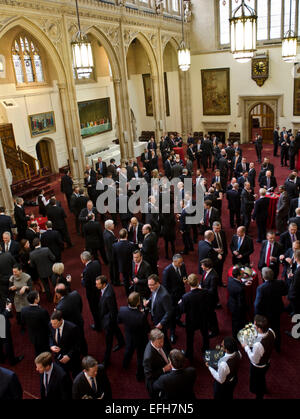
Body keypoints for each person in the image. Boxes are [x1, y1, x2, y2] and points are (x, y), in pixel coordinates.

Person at [241, 315, 275, 399]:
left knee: (257, 385)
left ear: (259, 329)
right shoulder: (271, 331)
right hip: (267, 362)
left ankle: (259, 396)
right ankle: (264, 388)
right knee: (262, 378)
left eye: (254, 325)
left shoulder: (258, 345)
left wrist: (246, 347)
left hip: (258, 367)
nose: (253, 326)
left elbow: (254, 360)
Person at [118, 292, 149, 381]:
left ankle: (125, 365)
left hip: (129, 336)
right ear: (138, 303)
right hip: (140, 339)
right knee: (140, 357)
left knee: (128, 351)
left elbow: (119, 321)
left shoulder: (122, 309)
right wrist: (142, 313)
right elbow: (146, 329)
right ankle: (139, 375)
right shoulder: (141, 316)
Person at [254, 267, 287, 352]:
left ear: (263, 277)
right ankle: (278, 346)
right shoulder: (280, 283)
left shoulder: (261, 288)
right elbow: (285, 292)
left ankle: (266, 347)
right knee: (277, 328)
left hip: (266, 313)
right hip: (278, 310)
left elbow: (257, 304)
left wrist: (256, 316)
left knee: (266, 331)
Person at [95, 275, 125, 368]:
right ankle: (121, 342)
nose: (96, 285)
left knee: (108, 342)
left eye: (97, 284)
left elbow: (113, 311)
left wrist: (109, 323)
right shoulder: (106, 288)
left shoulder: (108, 295)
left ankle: (106, 360)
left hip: (109, 321)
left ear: (104, 284)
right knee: (116, 328)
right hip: (108, 318)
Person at [178, 273, 210, 360]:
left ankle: (189, 353)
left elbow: (182, 310)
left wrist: (180, 303)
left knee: (190, 338)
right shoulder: (205, 292)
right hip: (203, 318)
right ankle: (206, 348)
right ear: (198, 281)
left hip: (192, 320)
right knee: (205, 334)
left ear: (188, 283)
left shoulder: (185, 297)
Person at [162, 254, 187, 344]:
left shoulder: (182, 265)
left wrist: (185, 279)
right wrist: (172, 296)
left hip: (181, 293)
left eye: (181, 262)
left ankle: (178, 320)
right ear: (174, 262)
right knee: (172, 315)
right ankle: (172, 333)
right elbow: (165, 287)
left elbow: (184, 275)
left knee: (180, 309)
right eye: (179, 263)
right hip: (172, 297)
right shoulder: (167, 271)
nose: (181, 264)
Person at [49, 310, 81, 379]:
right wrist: (51, 345)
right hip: (58, 357)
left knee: (75, 376)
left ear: (61, 320)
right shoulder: (51, 324)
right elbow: (50, 336)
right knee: (64, 377)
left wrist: (69, 356)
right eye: (52, 323)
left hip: (72, 358)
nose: (53, 325)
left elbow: (77, 344)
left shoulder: (72, 328)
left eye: (55, 323)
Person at [145, 274, 173, 351]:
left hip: (161, 321)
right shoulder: (154, 289)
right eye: (148, 285)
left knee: (163, 338)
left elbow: (169, 311)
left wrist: (161, 323)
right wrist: (149, 301)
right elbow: (154, 296)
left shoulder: (164, 295)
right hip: (155, 317)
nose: (149, 287)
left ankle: (169, 353)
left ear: (157, 283)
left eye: (151, 285)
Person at [143, 328, 171, 399]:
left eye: (162, 341)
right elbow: (149, 375)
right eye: (159, 342)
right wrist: (164, 369)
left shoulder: (159, 341)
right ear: (152, 341)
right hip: (155, 382)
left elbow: (165, 351)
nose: (162, 344)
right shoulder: (148, 357)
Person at [21, 290, 50, 356]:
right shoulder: (42, 311)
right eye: (38, 296)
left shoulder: (23, 310)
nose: (39, 297)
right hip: (43, 336)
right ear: (36, 300)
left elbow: (23, 322)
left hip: (32, 336)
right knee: (46, 352)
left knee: (37, 350)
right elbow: (48, 324)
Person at [80, 251, 102, 331]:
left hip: (91, 293)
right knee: (100, 306)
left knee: (94, 309)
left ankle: (98, 326)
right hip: (99, 289)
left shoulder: (86, 270)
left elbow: (85, 284)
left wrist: (82, 279)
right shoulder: (97, 263)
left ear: (83, 260)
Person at [29, 238, 55, 302]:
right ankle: (58, 295)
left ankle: (49, 299)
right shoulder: (46, 249)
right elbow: (53, 258)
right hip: (50, 270)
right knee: (54, 283)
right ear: (39, 243)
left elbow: (32, 266)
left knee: (46, 287)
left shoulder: (31, 254)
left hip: (41, 272)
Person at [227, 266, 249, 338]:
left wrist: (243, 284)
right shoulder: (240, 289)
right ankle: (236, 336)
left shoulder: (230, 279)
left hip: (231, 303)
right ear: (239, 276)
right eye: (242, 274)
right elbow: (241, 303)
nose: (243, 274)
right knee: (238, 323)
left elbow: (236, 284)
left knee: (234, 321)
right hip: (237, 309)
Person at [112, 228, 135, 296]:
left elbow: (114, 258)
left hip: (121, 266)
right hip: (131, 265)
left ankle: (127, 293)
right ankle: (134, 290)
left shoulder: (115, 245)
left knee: (125, 279)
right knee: (133, 278)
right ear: (126, 235)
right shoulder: (131, 245)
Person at [200, 258, 220, 338]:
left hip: (211, 300)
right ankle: (209, 326)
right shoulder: (206, 272)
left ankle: (215, 330)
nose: (201, 266)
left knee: (211, 315)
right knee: (208, 314)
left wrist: (201, 289)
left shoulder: (214, 276)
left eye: (202, 265)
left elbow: (212, 291)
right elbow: (203, 281)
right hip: (206, 298)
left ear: (207, 267)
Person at [8, 263, 32, 327]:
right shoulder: (12, 278)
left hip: (26, 297)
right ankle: (22, 326)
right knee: (19, 313)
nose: (14, 273)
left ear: (20, 270)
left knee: (27, 311)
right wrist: (12, 288)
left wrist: (25, 287)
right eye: (13, 272)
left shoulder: (27, 277)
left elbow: (31, 288)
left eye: (15, 272)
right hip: (17, 298)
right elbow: (9, 289)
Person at [212, 221, 228, 287]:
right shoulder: (210, 234)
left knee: (220, 269)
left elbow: (225, 243)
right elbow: (207, 246)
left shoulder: (222, 232)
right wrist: (215, 250)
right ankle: (214, 283)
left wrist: (225, 253)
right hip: (215, 256)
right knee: (215, 270)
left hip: (223, 254)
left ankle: (220, 282)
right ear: (213, 227)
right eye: (216, 228)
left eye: (219, 228)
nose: (218, 230)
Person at [103, 219, 119, 286]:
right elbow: (111, 247)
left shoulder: (106, 232)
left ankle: (113, 280)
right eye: (112, 224)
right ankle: (116, 282)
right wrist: (117, 243)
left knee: (112, 269)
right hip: (112, 255)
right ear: (109, 226)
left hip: (109, 254)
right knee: (115, 269)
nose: (113, 225)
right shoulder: (109, 236)